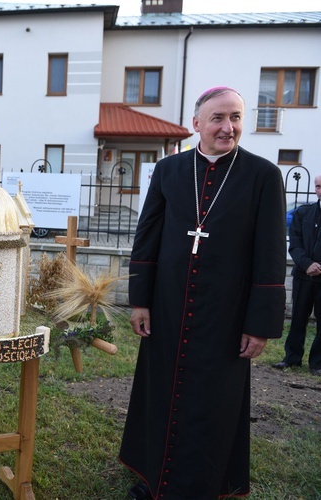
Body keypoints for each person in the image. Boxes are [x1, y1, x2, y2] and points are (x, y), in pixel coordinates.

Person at [119, 87, 287, 499]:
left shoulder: (263, 175)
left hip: (226, 314)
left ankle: (202, 485)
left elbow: (270, 252)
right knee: (160, 393)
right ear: (197, 124)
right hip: (168, 307)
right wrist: (140, 300)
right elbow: (148, 238)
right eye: (217, 118)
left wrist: (260, 324)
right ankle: (154, 479)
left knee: (214, 402)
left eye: (235, 117)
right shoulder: (169, 170)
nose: (228, 127)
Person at [274, 175, 321, 376]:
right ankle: (292, 358)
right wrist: (307, 264)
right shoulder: (304, 213)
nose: (320, 190)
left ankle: (317, 364)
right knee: (298, 318)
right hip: (304, 275)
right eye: (318, 186)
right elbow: (295, 242)